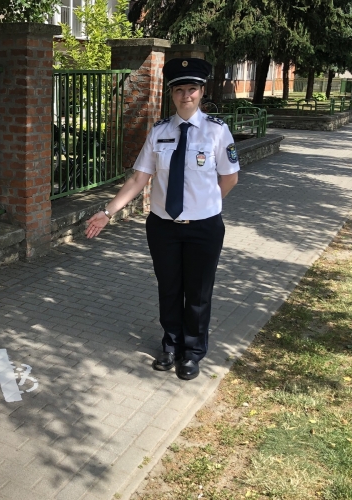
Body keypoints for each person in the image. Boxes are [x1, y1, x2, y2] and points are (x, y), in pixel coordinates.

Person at [85, 58, 239, 380]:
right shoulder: (159, 132)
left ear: (201, 92)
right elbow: (138, 179)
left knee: (197, 293)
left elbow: (229, 178)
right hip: (163, 227)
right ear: (172, 93)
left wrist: (206, 206)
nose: (186, 96)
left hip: (204, 227)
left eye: (192, 89)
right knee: (169, 288)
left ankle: (192, 353)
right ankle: (170, 344)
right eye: (179, 90)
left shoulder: (217, 131)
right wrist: (108, 212)